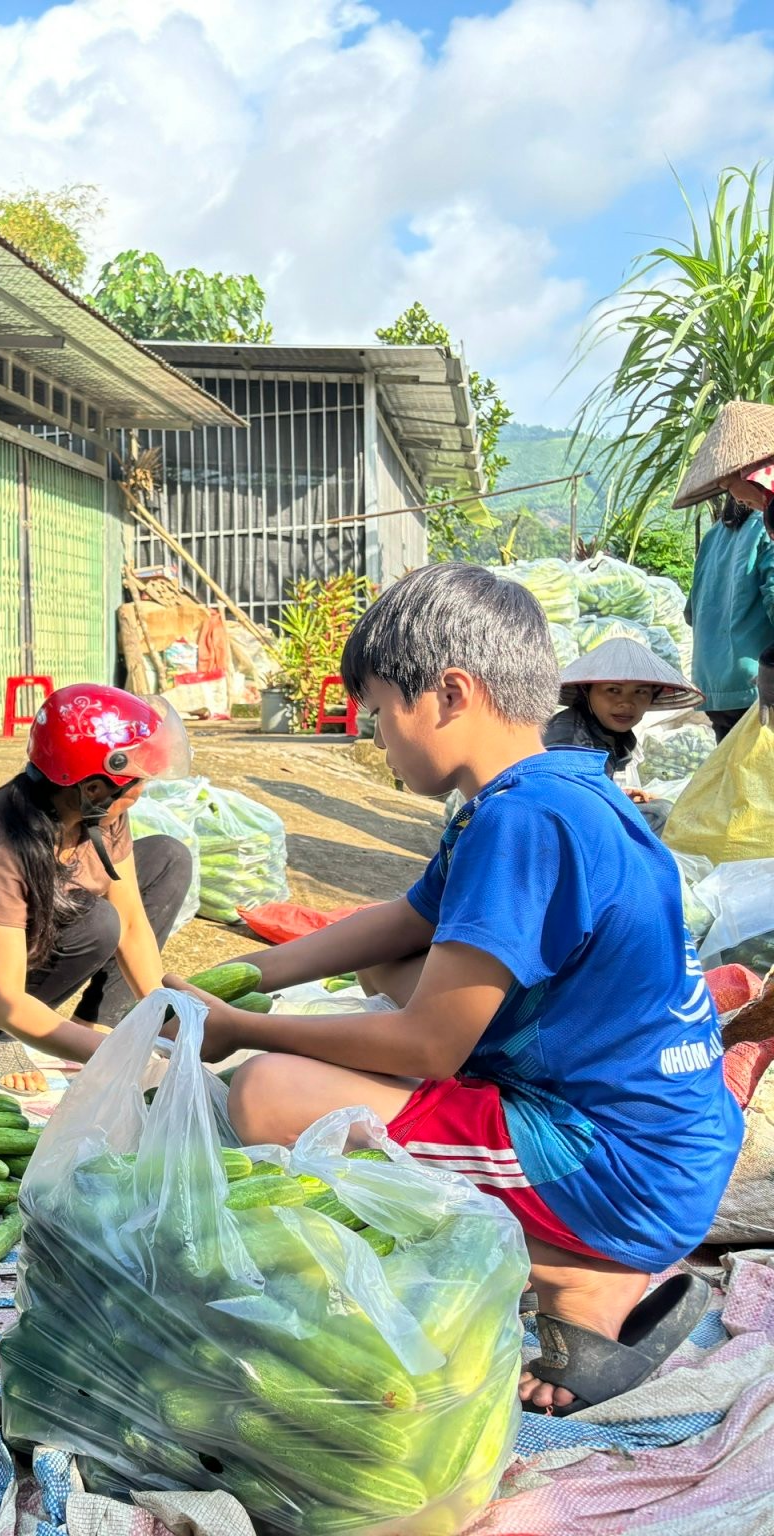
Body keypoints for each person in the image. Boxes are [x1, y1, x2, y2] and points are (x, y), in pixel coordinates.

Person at [164, 563, 742, 1415]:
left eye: (377, 712)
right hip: (668, 1140)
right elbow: (404, 921)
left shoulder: (525, 820)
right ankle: (571, 1246)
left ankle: (583, 1277)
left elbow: (432, 1045)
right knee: (387, 969)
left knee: (269, 1093)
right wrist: (243, 979)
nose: (376, 740)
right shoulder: (548, 789)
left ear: (449, 693)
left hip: (621, 1170)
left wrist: (247, 1029)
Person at [0, 684, 195, 1095]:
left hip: (32, 927)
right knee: (97, 922)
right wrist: (117, 1057)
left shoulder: (99, 810)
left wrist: (167, 1018)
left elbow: (133, 923)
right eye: (137, 782)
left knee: (169, 858)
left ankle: (92, 1023)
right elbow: (6, 1001)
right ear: (93, 788)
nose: (141, 791)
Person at [673, 400, 774, 739]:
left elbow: (691, 612)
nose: (740, 498)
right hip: (758, 685)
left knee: (734, 771)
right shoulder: (765, 527)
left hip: (715, 687)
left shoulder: (714, 535)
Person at [542, 636, 702, 827]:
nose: (626, 703)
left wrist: (619, 795)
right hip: (564, 827)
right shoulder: (568, 737)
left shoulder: (609, 733)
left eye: (640, 692)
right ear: (586, 691)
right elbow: (563, 804)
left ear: (653, 696)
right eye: (613, 690)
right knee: (662, 815)